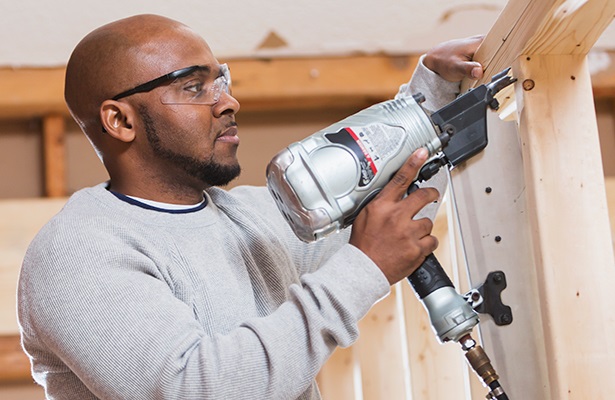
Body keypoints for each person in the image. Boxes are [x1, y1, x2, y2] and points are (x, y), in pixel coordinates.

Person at [17, 14, 484, 400]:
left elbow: (395, 206)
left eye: (222, 80)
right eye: (194, 88)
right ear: (120, 120)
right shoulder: (77, 252)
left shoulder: (255, 218)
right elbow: (199, 389)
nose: (228, 101)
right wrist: (363, 268)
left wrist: (433, 91)